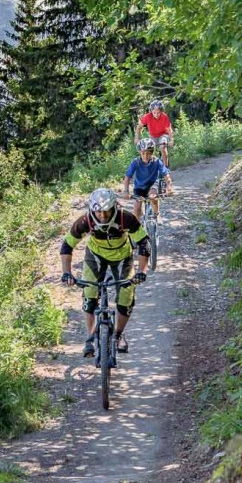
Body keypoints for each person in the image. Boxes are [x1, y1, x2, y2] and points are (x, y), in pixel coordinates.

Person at [60, 188, 149, 356]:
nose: (102, 215)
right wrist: (67, 273)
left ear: (113, 207)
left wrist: (142, 271)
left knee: (126, 294)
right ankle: (90, 337)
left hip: (122, 256)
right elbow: (67, 245)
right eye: (98, 212)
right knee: (89, 292)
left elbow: (144, 243)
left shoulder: (125, 217)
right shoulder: (86, 220)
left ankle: (118, 334)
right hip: (95, 256)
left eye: (106, 211)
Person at [123, 138, 173, 220]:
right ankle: (137, 227)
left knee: (153, 197)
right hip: (139, 186)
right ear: (140, 152)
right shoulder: (135, 162)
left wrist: (169, 186)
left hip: (153, 184)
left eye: (148, 153)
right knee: (137, 208)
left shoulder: (157, 162)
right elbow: (127, 177)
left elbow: (166, 175)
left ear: (152, 153)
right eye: (143, 153)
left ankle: (157, 213)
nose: (145, 156)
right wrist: (126, 191)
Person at [136, 100, 174, 167]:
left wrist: (171, 140)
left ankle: (166, 168)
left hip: (163, 134)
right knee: (147, 150)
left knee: (162, 148)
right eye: (154, 112)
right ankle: (150, 168)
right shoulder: (147, 116)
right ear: (151, 111)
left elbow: (169, 129)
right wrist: (137, 138)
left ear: (161, 111)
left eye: (158, 112)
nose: (156, 114)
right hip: (153, 136)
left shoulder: (164, 117)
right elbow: (139, 127)